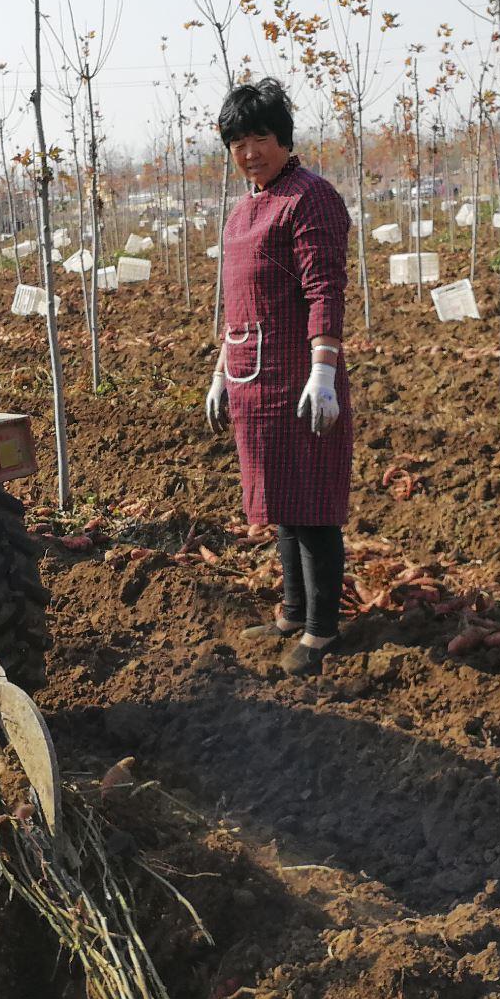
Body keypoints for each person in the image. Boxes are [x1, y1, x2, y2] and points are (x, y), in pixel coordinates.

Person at [203, 77, 353, 679]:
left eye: (260, 137)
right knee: (282, 505)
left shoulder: (310, 197)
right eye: (237, 142)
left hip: (297, 377)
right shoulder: (245, 207)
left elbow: (324, 290)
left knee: (313, 506)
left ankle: (322, 630)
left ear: (285, 139)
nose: (249, 152)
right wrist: (219, 372)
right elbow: (236, 303)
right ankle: (293, 611)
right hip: (251, 379)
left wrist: (323, 371)